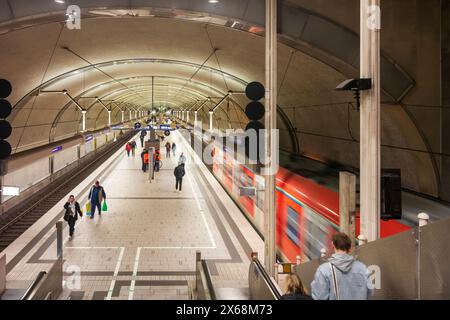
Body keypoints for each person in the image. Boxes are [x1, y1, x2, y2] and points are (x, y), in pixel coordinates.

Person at [311, 233, 372, 300]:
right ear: (350, 248)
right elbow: (370, 292)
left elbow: (319, 297)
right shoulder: (362, 268)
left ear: (333, 246)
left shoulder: (324, 270)